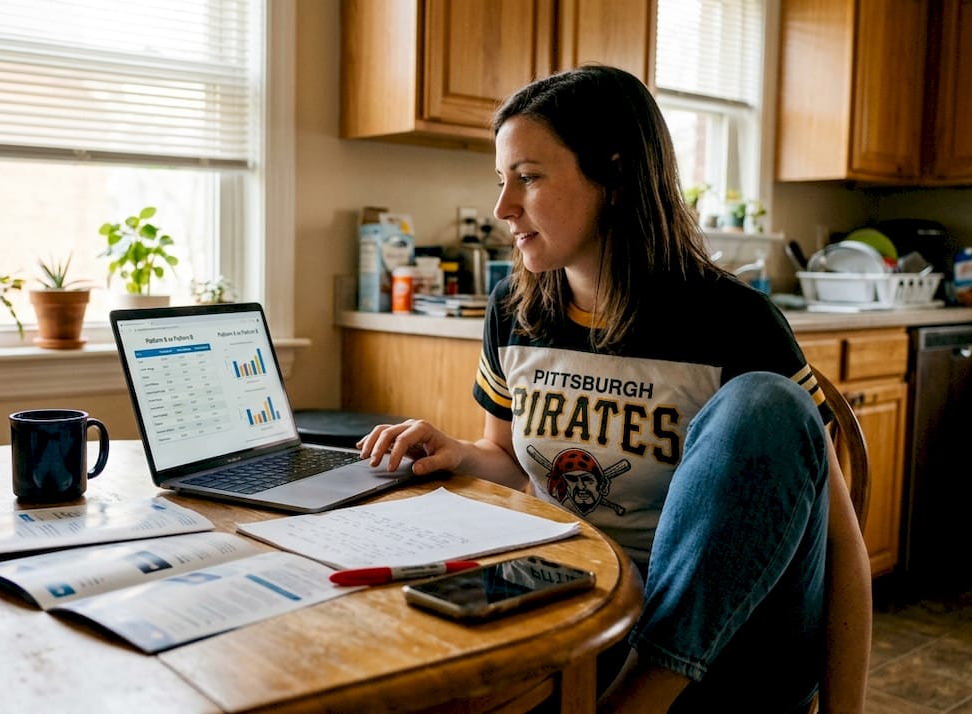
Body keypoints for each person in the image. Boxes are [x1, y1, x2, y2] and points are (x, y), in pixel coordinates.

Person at [358, 65, 871, 713]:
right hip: (583, 606)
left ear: (616, 177)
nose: (502, 208)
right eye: (500, 180)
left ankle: (639, 699)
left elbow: (839, 543)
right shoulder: (514, 311)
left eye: (529, 177)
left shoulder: (732, 320)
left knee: (767, 404)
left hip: (736, 635)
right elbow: (511, 461)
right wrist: (458, 452)